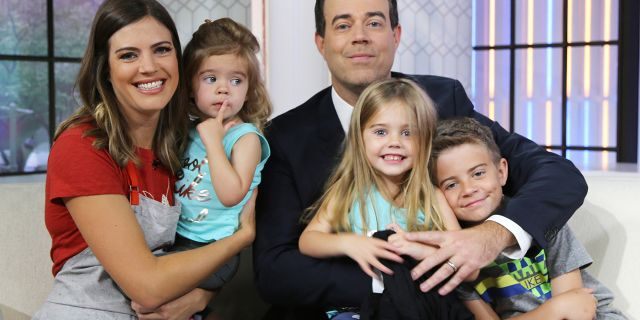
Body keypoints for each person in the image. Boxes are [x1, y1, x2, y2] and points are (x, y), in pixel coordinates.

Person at [253, 0, 588, 318]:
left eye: (374, 22)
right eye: (343, 25)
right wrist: (399, 282)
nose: (360, 35)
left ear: (396, 35)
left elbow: (557, 175)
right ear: (321, 42)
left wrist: (491, 235)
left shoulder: (443, 100)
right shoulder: (284, 136)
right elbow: (275, 271)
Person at [34, 1, 255, 319]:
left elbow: (218, 224)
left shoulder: (183, 148)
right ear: (105, 69)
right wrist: (242, 238)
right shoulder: (82, 146)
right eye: (128, 55)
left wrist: (202, 294)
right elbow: (147, 286)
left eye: (162, 50)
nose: (149, 67)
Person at [299, 78, 473, 319]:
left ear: (425, 140)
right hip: (357, 309)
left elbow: (464, 260)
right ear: (360, 138)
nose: (394, 143)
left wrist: (416, 249)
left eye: (407, 133)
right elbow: (308, 240)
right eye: (380, 132)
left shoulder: (432, 196)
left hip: (420, 306)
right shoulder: (349, 190)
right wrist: (348, 243)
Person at [429, 117, 626, 320]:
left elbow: (577, 310)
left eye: (478, 173)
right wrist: (555, 310)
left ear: (501, 172)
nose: (468, 189)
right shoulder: (456, 256)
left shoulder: (538, 217)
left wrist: (563, 308)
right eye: (451, 184)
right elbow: (564, 308)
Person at [172, 17, 271, 293]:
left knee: (150, 295)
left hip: (216, 249)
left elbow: (231, 195)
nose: (223, 88)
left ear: (249, 90)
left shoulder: (245, 138)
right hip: (178, 239)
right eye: (211, 78)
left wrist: (215, 144)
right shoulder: (192, 130)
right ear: (191, 86)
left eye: (236, 80)